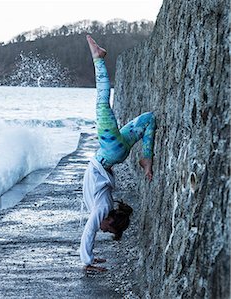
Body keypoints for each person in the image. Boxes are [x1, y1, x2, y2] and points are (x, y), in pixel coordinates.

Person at [80, 35, 156, 273]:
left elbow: (93, 227)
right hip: (112, 150)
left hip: (115, 153)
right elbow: (90, 230)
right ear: (111, 219)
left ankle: (146, 157)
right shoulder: (102, 209)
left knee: (149, 118)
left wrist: (91, 256)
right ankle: (98, 59)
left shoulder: (102, 207)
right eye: (109, 229)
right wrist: (87, 261)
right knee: (102, 103)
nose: (104, 230)